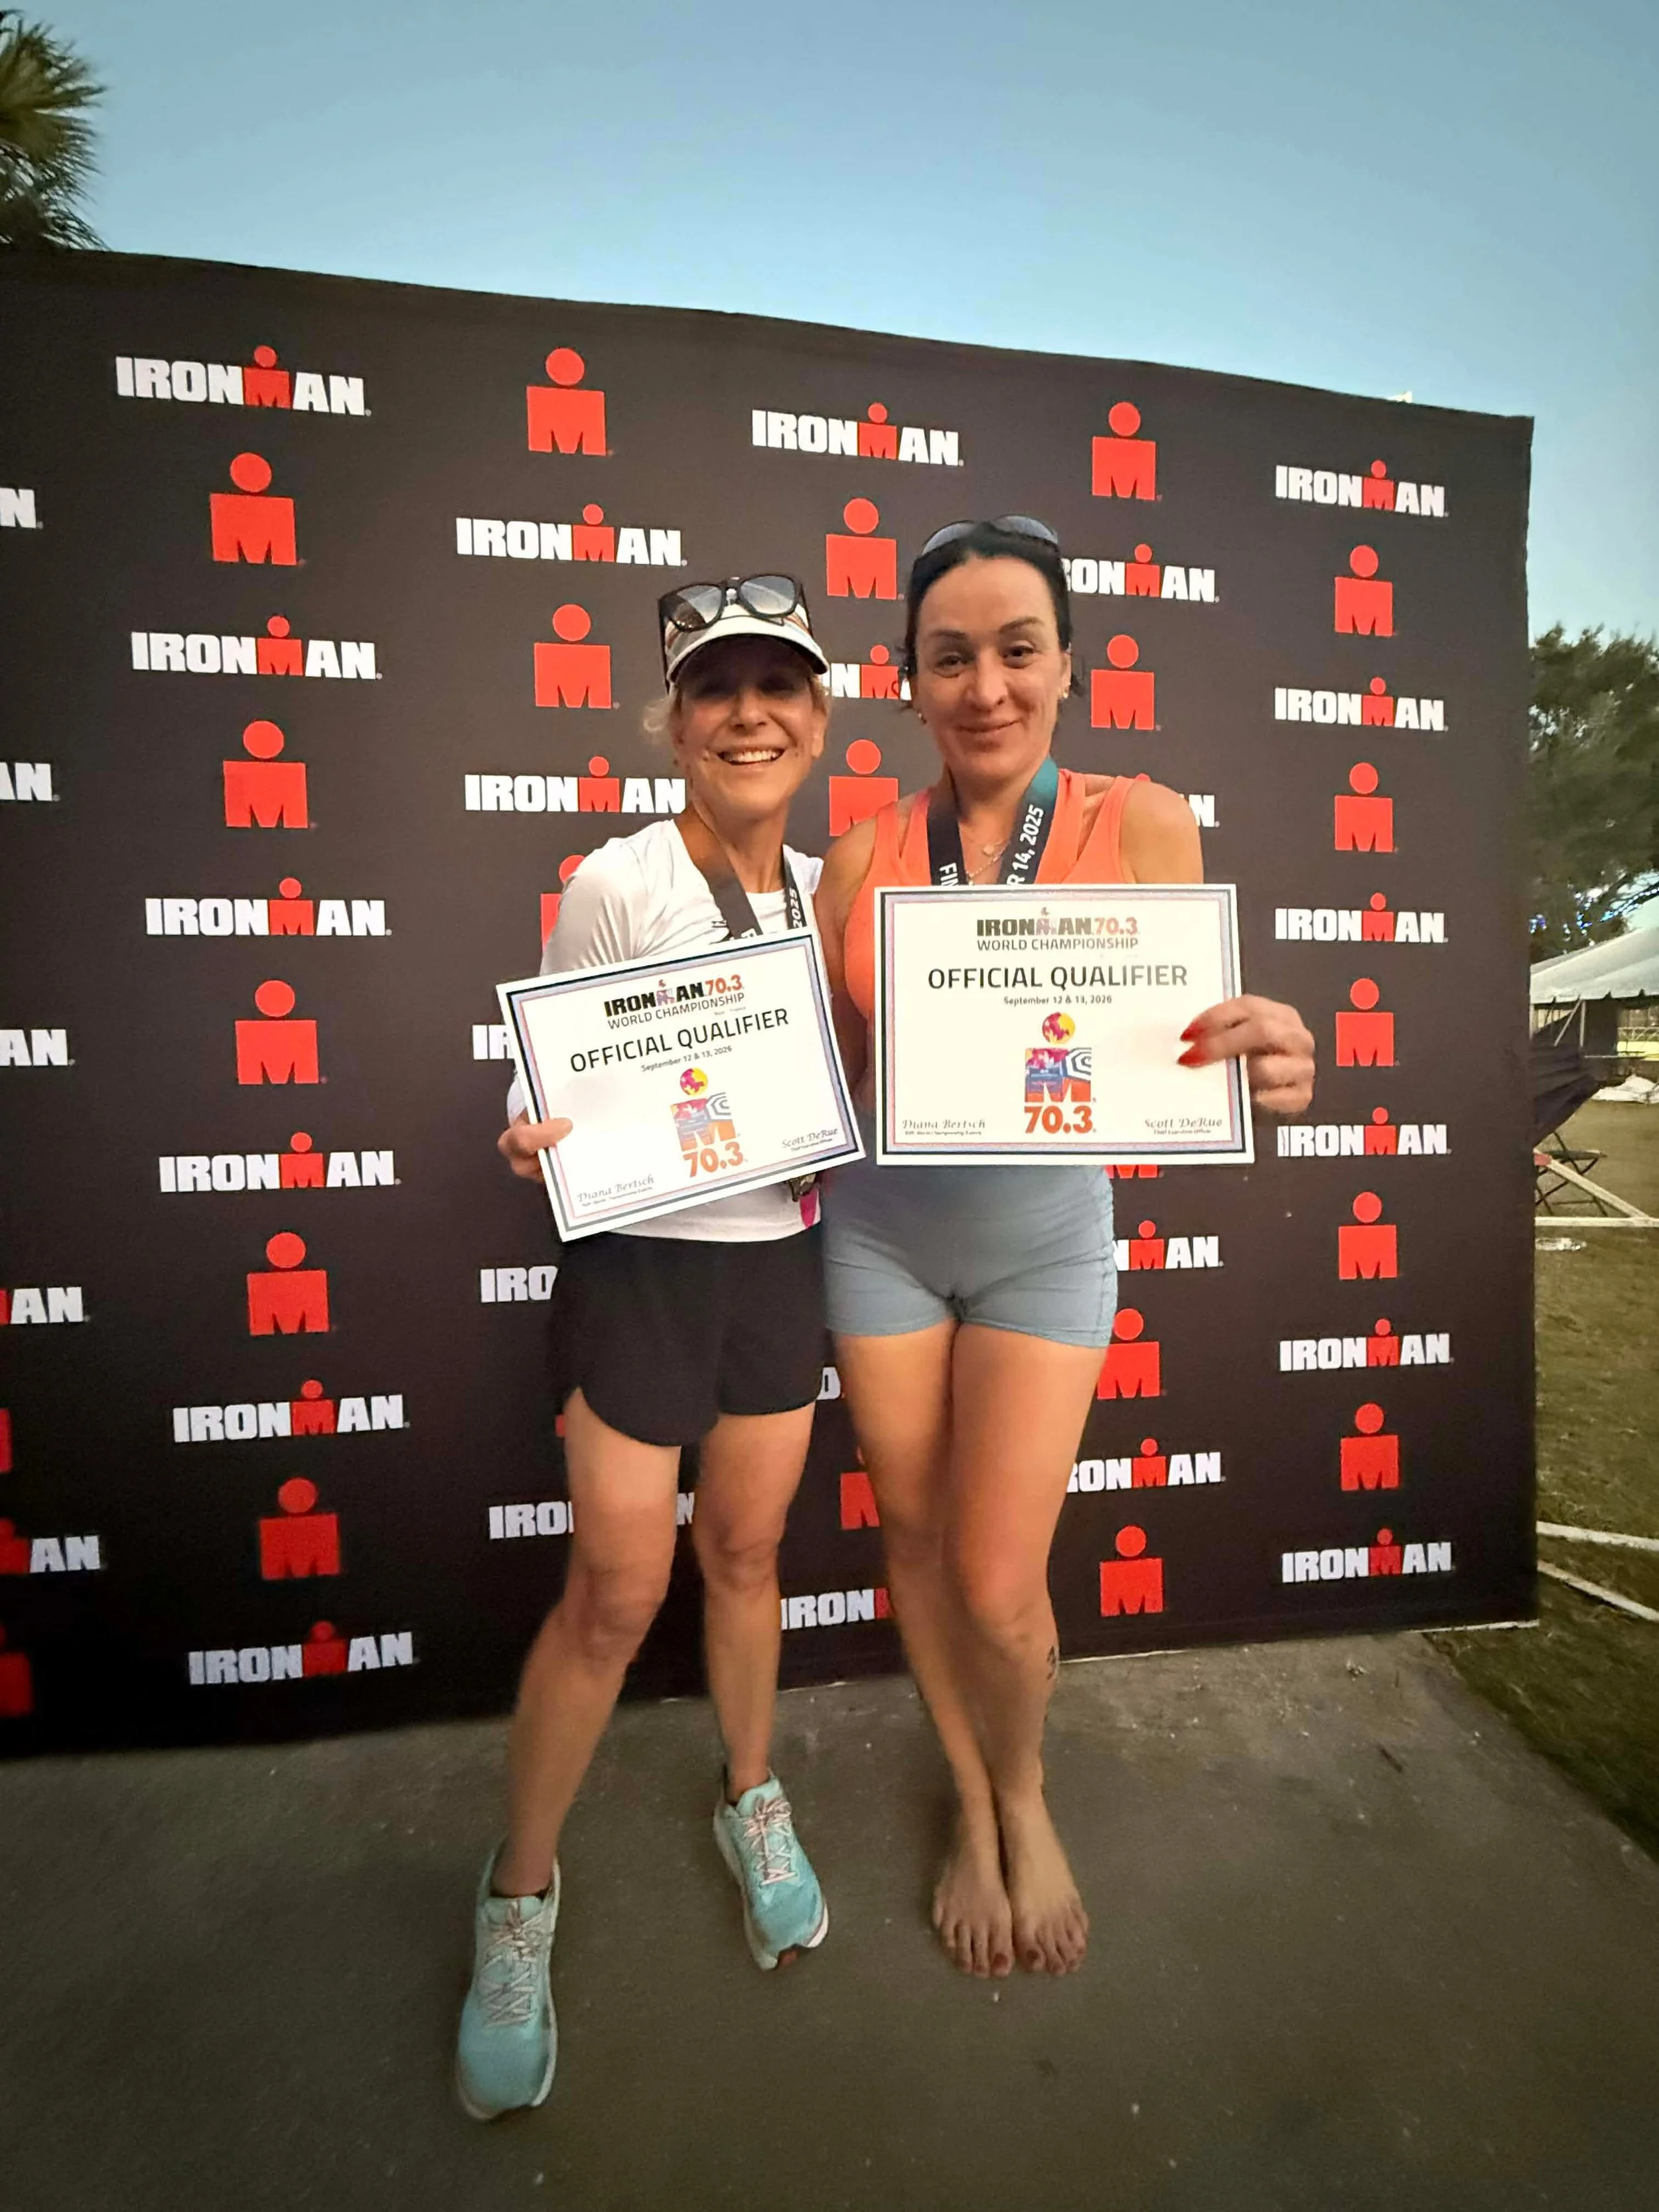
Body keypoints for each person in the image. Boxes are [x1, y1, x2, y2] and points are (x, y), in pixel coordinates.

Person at [814, 517, 1315, 1983]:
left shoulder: (1144, 823)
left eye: (1015, 651)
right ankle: (971, 1804)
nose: (984, 686)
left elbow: (1183, 1045)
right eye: (949, 656)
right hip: (880, 1243)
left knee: (992, 1577)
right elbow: (827, 1085)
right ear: (907, 681)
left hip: (1042, 1246)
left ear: (1066, 669)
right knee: (909, 1539)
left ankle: (1025, 1784)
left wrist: (1260, 1053)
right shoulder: (858, 858)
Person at [456, 576, 836, 2120]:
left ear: (820, 716)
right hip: (639, 1274)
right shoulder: (618, 879)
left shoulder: (842, 887)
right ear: (673, 723)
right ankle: (516, 1897)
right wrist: (531, 1136)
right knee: (615, 1596)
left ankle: (753, 1792)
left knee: (742, 1559)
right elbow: (568, 1092)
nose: (748, 711)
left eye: (778, 685)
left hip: (783, 1270)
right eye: (714, 688)